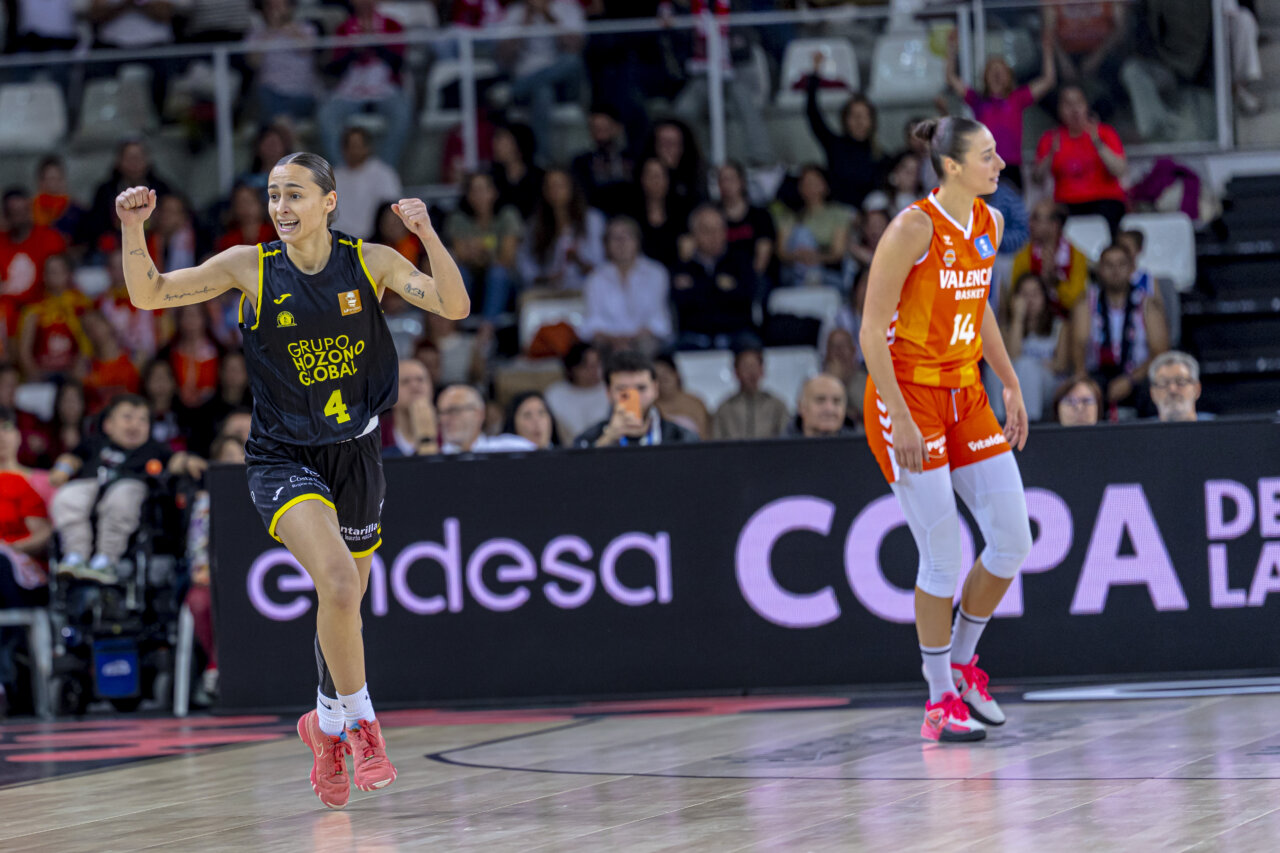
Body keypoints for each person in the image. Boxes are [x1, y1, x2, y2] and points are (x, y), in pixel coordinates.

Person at [113, 149, 469, 808]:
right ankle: (363, 726)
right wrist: (135, 230)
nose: (281, 207)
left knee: (344, 601)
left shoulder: (369, 262)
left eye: (295, 194)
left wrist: (425, 234)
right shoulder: (250, 267)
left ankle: (324, 724)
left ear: (329, 202)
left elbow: (454, 301)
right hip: (282, 456)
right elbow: (150, 293)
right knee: (338, 580)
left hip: (355, 452)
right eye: (275, 195)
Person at [860, 116, 1033, 743]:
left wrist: (1009, 381)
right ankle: (938, 701)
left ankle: (961, 663)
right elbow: (869, 331)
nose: (1001, 165)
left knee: (1012, 540)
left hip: (965, 390)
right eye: (987, 155)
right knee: (941, 556)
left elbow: (978, 305)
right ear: (952, 166)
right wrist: (900, 416)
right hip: (907, 395)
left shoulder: (990, 222)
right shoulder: (912, 228)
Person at [49, 394, 205, 584]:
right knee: (68, 494)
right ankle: (75, 556)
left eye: (142, 420)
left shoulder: (153, 449)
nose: (135, 425)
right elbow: (71, 458)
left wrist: (189, 462)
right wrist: (62, 470)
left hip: (130, 493)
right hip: (92, 486)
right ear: (108, 424)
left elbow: (175, 460)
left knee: (124, 493)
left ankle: (106, 560)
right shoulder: (95, 443)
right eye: (127, 417)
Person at [945, 28, 1056, 190]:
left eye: (1002, 71)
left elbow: (1048, 80)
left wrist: (1047, 50)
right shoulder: (977, 100)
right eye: (992, 71)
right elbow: (951, 78)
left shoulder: (1018, 98)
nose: (997, 74)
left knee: (1011, 204)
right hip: (984, 166)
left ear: (1009, 77)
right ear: (985, 77)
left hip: (1011, 166)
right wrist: (952, 50)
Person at [1070, 243, 1170, 412]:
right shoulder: (1085, 303)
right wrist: (1083, 381)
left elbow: (1159, 353)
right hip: (1099, 374)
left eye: (1121, 264)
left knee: (1155, 387)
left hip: (1138, 375)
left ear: (1131, 268)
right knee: (1083, 393)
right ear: (1099, 270)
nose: (1115, 271)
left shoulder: (1148, 304)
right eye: (1109, 265)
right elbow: (1078, 347)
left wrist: (1129, 380)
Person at [0, 406, 52, 720]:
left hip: (21, 573)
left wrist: (9, 549)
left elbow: (43, 533)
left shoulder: (20, 483)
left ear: (18, 435)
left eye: (5, 428)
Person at [317, 0, 412, 169]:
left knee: (402, 114)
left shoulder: (392, 25)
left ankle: (384, 171)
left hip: (385, 89)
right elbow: (335, 69)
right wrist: (355, 49)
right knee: (326, 116)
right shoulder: (343, 29)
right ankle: (343, 171)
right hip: (350, 91)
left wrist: (376, 42)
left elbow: (398, 64)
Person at [497, 0, 587, 165]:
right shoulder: (514, 12)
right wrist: (524, 23)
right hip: (528, 84)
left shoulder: (568, 8)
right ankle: (543, 160)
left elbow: (575, 47)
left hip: (563, 84)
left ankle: (512, 91)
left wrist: (549, 16)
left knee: (573, 61)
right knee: (543, 91)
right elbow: (504, 58)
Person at [1033, 85, 1128, 236]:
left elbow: (1120, 170)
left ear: (1086, 106)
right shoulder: (1050, 138)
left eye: (1078, 103)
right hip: (1067, 202)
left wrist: (1098, 144)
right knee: (1049, 218)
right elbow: (1037, 178)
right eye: (1068, 104)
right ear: (1059, 110)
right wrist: (1050, 155)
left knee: (1111, 212)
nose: (1074, 109)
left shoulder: (1105, 132)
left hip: (1104, 198)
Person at [579, 217, 671, 355]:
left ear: (638, 241)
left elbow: (658, 319)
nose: (621, 242)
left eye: (627, 236)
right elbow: (592, 321)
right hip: (608, 342)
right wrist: (614, 340)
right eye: (615, 238)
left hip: (644, 340)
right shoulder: (595, 278)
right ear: (606, 244)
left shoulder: (656, 273)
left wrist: (632, 339)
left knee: (646, 344)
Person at [671, 206, 757, 350]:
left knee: (751, 350)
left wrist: (698, 287)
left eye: (719, 229)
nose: (714, 236)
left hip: (737, 332)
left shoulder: (740, 261)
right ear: (693, 235)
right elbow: (683, 302)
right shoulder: (682, 266)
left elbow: (745, 297)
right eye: (706, 230)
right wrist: (719, 286)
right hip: (695, 335)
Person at [574, 349, 699, 447]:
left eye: (641, 388)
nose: (634, 397)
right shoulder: (587, 441)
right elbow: (578, 470)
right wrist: (607, 440)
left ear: (655, 389)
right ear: (608, 393)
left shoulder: (683, 439)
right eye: (622, 389)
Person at [805, 54, 882, 208]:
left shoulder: (879, 155)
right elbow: (813, 114)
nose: (859, 121)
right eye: (854, 116)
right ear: (845, 120)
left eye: (864, 116)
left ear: (872, 121)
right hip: (839, 214)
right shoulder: (834, 145)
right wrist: (815, 74)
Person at [444, 172, 523, 322]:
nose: (478, 196)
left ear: (494, 192)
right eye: (473, 191)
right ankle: (455, 323)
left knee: (498, 273)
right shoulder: (458, 219)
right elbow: (460, 255)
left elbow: (507, 258)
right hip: (471, 277)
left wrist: (478, 252)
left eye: (483, 190)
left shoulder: (507, 216)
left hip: (505, 283)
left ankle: (487, 328)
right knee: (459, 273)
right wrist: (485, 254)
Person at [517, 169, 606, 294]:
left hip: (587, 290)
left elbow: (602, 266)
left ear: (572, 188)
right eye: (550, 186)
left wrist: (578, 260)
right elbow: (524, 262)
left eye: (560, 185)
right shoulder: (535, 224)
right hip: (548, 292)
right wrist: (543, 278)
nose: (555, 191)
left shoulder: (592, 220)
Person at [0, 188, 70, 339]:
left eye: (22, 211)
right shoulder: (1, 241)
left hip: (43, 306)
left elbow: (63, 278)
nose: (19, 217)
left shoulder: (50, 239)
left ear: (30, 209)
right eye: (13, 212)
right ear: (5, 215)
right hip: (6, 311)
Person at [1001, 272, 1069, 421]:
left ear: (1044, 297)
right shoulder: (1008, 329)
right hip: (1017, 386)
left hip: (1048, 385)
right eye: (1024, 295)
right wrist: (1018, 318)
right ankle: (999, 424)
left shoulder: (1059, 326)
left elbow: (1061, 365)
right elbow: (1012, 358)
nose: (1030, 300)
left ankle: (1031, 423)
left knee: (1027, 367)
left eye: (1035, 294)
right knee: (996, 373)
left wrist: (1033, 366)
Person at [775, 166, 852, 290]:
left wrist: (815, 257)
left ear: (825, 185)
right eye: (806, 183)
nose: (810, 187)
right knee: (801, 233)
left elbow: (838, 253)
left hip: (825, 272)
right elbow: (781, 252)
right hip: (795, 272)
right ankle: (807, 280)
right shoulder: (790, 217)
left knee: (803, 234)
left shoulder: (838, 214)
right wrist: (798, 257)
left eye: (815, 182)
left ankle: (811, 279)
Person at [17, 254, 91, 381]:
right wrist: (35, 375)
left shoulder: (81, 304)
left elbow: (90, 343)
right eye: (50, 271)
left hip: (74, 373)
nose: (54, 275)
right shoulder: (34, 308)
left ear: (68, 274)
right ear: (44, 276)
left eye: (59, 270)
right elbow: (24, 351)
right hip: (42, 373)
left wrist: (79, 370)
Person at [247, 0, 321, 128]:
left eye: (279, 5)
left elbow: (306, 49)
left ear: (290, 7)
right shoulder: (256, 33)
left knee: (279, 114)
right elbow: (253, 62)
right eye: (271, 6)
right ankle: (285, 128)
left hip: (301, 94)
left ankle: (282, 127)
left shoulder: (307, 28)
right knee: (264, 96)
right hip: (271, 93)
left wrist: (287, 28)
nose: (275, 10)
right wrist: (270, 31)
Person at [1009, 200, 1088, 317]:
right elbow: (1016, 297)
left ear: (1054, 225)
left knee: (1082, 308)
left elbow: (1074, 300)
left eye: (1036, 218)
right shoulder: (1023, 256)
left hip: (1066, 320)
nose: (1030, 223)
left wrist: (1054, 281)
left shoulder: (1076, 256)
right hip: (1032, 319)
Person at [332, 127, 403, 240]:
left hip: (374, 242)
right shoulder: (333, 177)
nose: (354, 151)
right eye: (350, 146)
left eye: (357, 146)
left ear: (368, 147)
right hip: (337, 241)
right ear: (343, 149)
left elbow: (391, 214)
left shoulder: (384, 174)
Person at [711, 344, 790, 440]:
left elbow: (787, 440)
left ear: (762, 370)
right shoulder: (725, 409)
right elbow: (716, 442)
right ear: (736, 372)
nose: (751, 372)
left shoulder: (777, 406)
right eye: (746, 367)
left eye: (754, 366)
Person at [717, 162, 776, 289]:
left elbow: (762, 257)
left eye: (730, 179)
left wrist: (746, 282)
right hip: (721, 278)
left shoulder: (760, 216)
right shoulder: (713, 217)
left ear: (742, 182)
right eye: (722, 180)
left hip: (753, 278)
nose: (726, 184)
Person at [570, 105, 635, 217]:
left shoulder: (632, 159)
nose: (600, 135)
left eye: (605, 128)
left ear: (618, 128)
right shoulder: (581, 163)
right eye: (595, 128)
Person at [437, 384, 535, 454]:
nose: (446, 419)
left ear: (479, 414)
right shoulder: (435, 454)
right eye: (442, 412)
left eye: (455, 410)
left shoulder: (511, 450)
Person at [543, 341, 611, 441]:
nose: (595, 371)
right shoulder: (555, 394)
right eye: (588, 366)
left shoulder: (609, 390)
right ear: (573, 368)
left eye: (597, 365)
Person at [382, 358, 438, 458]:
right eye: (405, 382)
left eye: (420, 380)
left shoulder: (449, 430)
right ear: (390, 395)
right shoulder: (377, 436)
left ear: (432, 389)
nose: (415, 386)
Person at [653, 353, 709, 438]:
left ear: (676, 374)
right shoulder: (651, 407)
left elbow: (705, 437)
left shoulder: (695, 403)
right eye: (658, 377)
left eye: (665, 377)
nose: (663, 382)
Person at [784, 373, 855, 437]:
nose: (829, 408)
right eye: (820, 400)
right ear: (801, 407)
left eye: (836, 401)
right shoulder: (781, 445)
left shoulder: (859, 444)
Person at [1148, 350, 1205, 423]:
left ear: (1197, 389)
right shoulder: (1140, 429)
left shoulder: (1216, 427)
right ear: (1152, 393)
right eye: (1163, 383)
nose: (1172, 389)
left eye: (1181, 382)